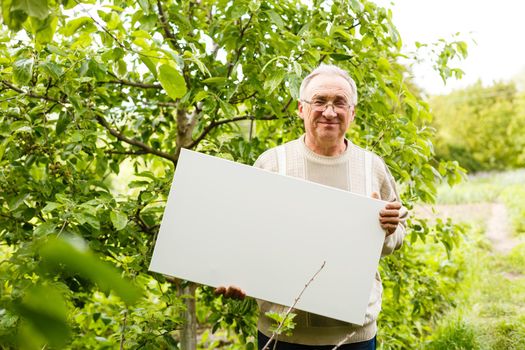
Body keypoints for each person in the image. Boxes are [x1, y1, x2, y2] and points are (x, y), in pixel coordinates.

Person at [215, 64, 408, 349]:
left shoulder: (372, 167)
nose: (329, 112)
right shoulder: (272, 164)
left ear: (352, 112)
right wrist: (234, 275)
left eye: (340, 102)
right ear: (301, 109)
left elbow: (397, 237)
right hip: (282, 334)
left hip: (354, 336)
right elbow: (244, 237)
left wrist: (389, 230)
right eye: (319, 101)